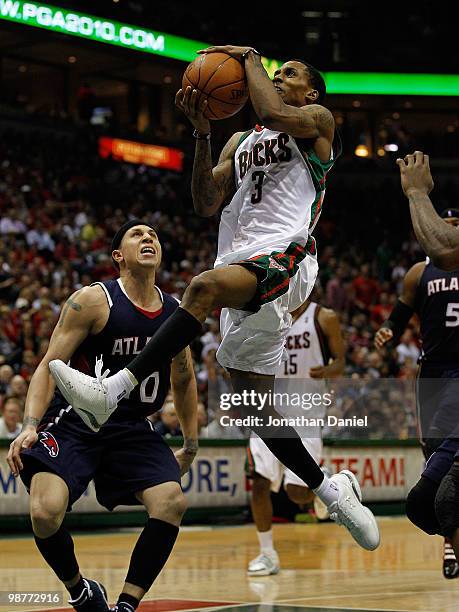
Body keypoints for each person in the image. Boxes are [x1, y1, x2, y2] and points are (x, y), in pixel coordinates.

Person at [49, 45, 379, 551]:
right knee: (255, 410)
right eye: (274, 70)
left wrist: (247, 57)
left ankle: (115, 388)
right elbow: (205, 201)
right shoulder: (241, 140)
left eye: (287, 73)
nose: (276, 75)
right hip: (241, 261)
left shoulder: (315, 120)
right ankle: (331, 490)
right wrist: (203, 132)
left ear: (310, 91)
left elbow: (272, 110)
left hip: (286, 256)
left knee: (199, 287)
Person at [7, 221, 199, 612]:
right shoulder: (94, 301)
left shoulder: (177, 312)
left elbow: (183, 377)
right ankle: (80, 590)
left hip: (131, 426)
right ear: (118, 257)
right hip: (75, 420)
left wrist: (191, 444)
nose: (149, 239)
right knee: (45, 511)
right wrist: (29, 425)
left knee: (171, 502)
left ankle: (128, 604)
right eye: (137, 235)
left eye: (154, 236)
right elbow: (49, 364)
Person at [375, 211, 459, 578]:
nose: (449, 230)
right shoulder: (418, 273)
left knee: (449, 467)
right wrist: (387, 332)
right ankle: (448, 536)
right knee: (433, 453)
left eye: (456, 226)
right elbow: (397, 317)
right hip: (434, 373)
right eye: (445, 224)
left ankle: (449, 530)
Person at [247, 299, 345, 576]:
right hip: (268, 411)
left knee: (296, 493)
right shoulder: (266, 315)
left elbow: (340, 363)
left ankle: (326, 480)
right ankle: (267, 554)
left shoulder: (324, 317)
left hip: (306, 415)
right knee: (259, 482)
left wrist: (327, 370)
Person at [396, 151, 459, 561]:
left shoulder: (442, 256)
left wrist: (417, 193)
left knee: (439, 499)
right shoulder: (422, 276)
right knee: (425, 503)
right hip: (439, 369)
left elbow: (442, 248)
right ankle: (451, 546)